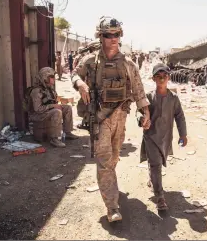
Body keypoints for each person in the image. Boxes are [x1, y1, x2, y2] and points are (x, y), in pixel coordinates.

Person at [71, 16, 151, 222]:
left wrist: (145, 112)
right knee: (105, 161)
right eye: (108, 35)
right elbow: (74, 74)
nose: (113, 38)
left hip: (121, 116)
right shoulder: (90, 62)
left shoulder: (128, 64)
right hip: (100, 117)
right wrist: (80, 84)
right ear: (101, 37)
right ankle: (112, 206)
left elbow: (139, 89)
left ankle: (111, 187)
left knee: (114, 157)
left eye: (116, 34)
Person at [139, 63, 187, 211]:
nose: (161, 79)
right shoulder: (148, 97)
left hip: (165, 138)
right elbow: (139, 112)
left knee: (157, 163)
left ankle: (153, 180)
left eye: (164, 76)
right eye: (158, 77)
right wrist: (141, 119)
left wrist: (183, 134)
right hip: (151, 137)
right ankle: (160, 197)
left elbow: (180, 117)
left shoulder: (173, 98)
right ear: (153, 78)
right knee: (156, 164)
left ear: (168, 78)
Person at [28, 67, 78, 147]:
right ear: (45, 78)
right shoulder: (36, 91)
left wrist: (61, 102)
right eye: (51, 77)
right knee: (57, 112)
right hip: (37, 115)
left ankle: (68, 132)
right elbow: (38, 109)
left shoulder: (49, 89)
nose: (53, 79)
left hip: (46, 111)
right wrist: (53, 106)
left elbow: (53, 100)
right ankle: (54, 139)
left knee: (67, 108)